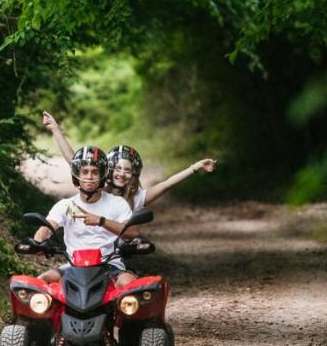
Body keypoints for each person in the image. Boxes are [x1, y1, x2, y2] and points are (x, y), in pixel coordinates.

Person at [41, 110, 217, 209]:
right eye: (117, 169)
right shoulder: (97, 190)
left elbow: (167, 184)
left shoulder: (138, 198)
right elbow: (75, 162)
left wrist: (195, 167)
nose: (122, 174)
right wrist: (56, 130)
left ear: (134, 174)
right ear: (108, 170)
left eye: (127, 170)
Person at [31, 146, 137, 286]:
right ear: (77, 176)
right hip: (73, 266)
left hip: (110, 265)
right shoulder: (66, 205)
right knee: (40, 282)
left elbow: (132, 232)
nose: (89, 177)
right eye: (84, 172)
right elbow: (47, 227)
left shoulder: (116, 203)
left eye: (94, 172)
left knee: (131, 284)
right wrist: (38, 243)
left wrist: (101, 221)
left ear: (102, 176)